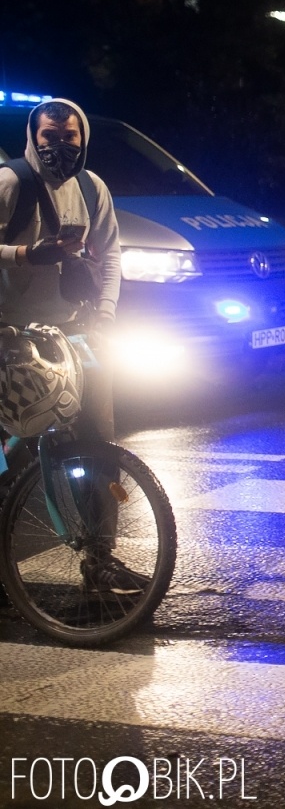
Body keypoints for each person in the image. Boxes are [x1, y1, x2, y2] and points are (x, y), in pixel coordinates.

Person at [0, 97, 135, 592]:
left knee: (98, 443)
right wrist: (24, 254)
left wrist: (105, 316)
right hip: (12, 334)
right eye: (49, 138)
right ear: (33, 139)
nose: (59, 146)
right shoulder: (10, 183)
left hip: (76, 332)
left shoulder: (91, 187)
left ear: (83, 139)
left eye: (69, 137)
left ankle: (100, 559)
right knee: (9, 458)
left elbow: (112, 254)